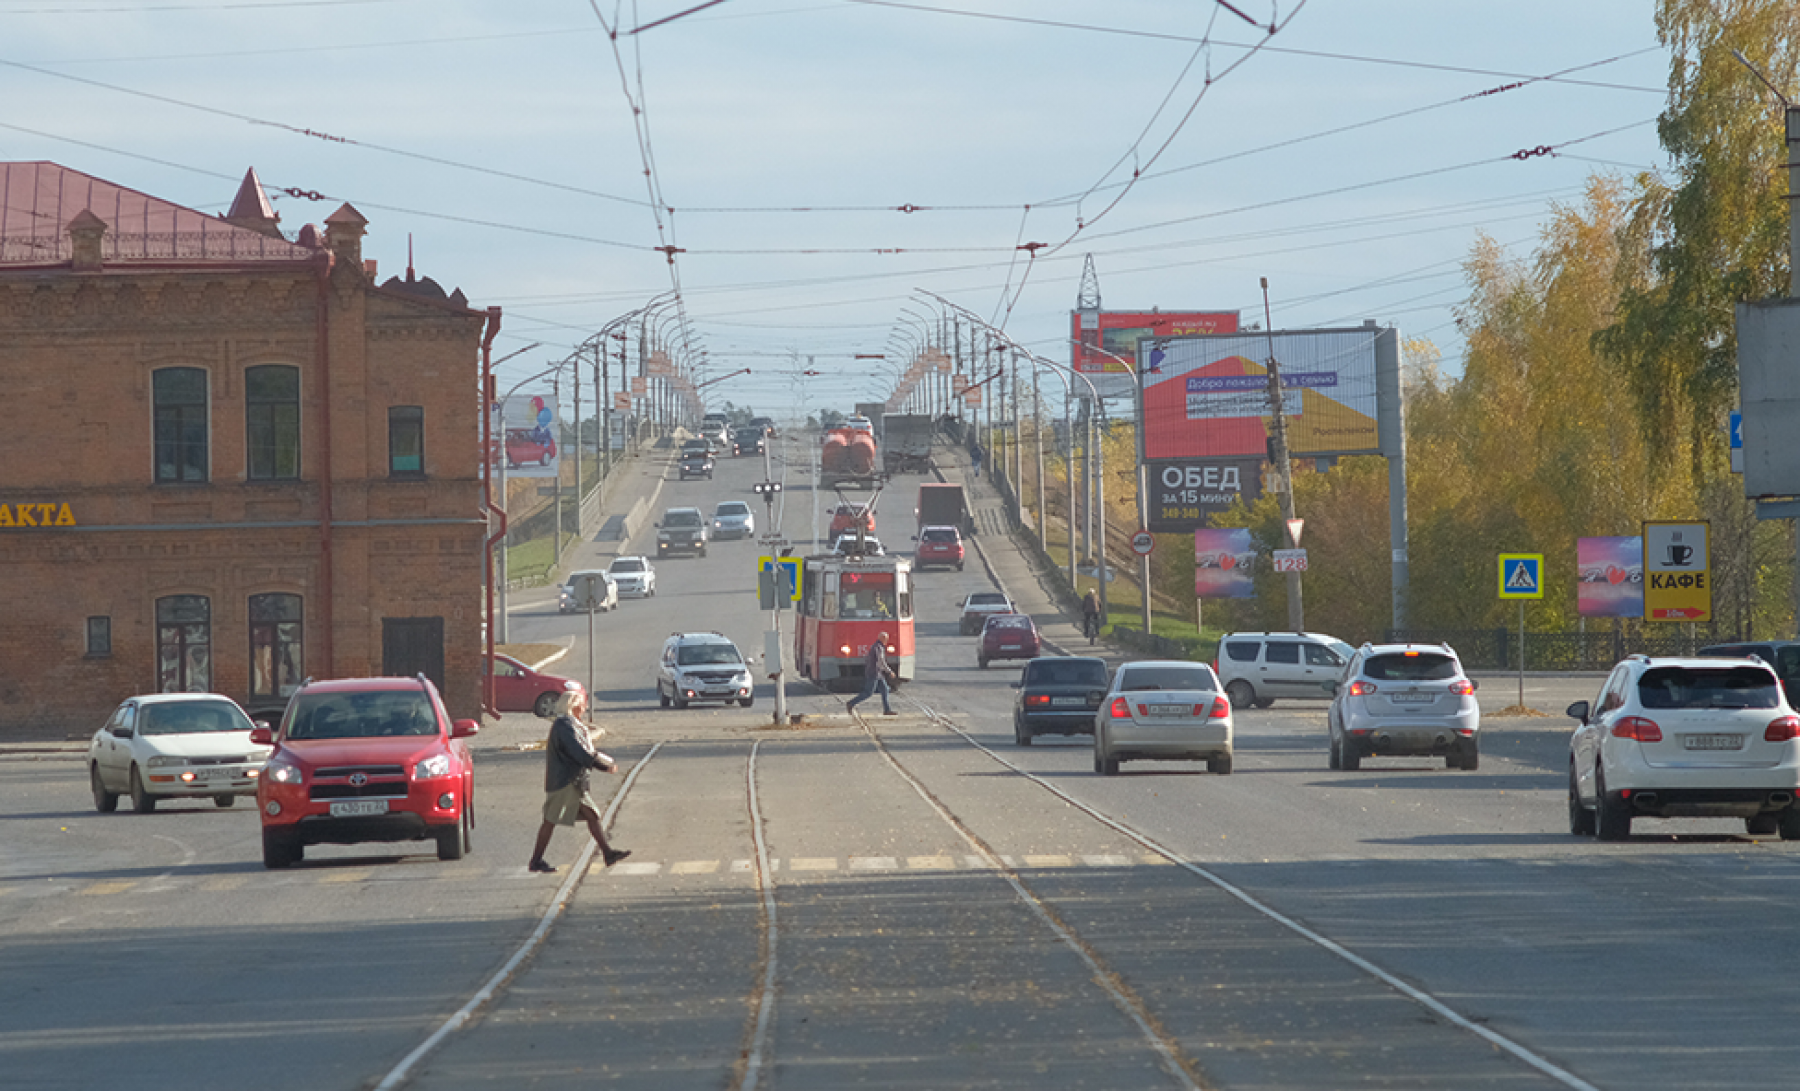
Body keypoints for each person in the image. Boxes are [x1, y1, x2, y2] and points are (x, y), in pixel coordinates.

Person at [528, 689, 630, 874]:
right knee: (550, 820)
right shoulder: (564, 725)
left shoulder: (569, 724)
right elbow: (578, 752)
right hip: (565, 781)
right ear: (574, 706)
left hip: (571, 780)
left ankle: (608, 854)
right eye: (583, 704)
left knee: (591, 815)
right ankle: (535, 861)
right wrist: (603, 767)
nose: (585, 708)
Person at [845, 630, 898, 716]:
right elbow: (881, 662)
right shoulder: (878, 647)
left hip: (878, 673)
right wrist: (889, 671)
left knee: (885, 690)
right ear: (882, 638)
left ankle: (887, 710)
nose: (887, 641)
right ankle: (851, 703)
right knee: (868, 692)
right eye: (886, 639)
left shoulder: (877, 646)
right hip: (874, 673)